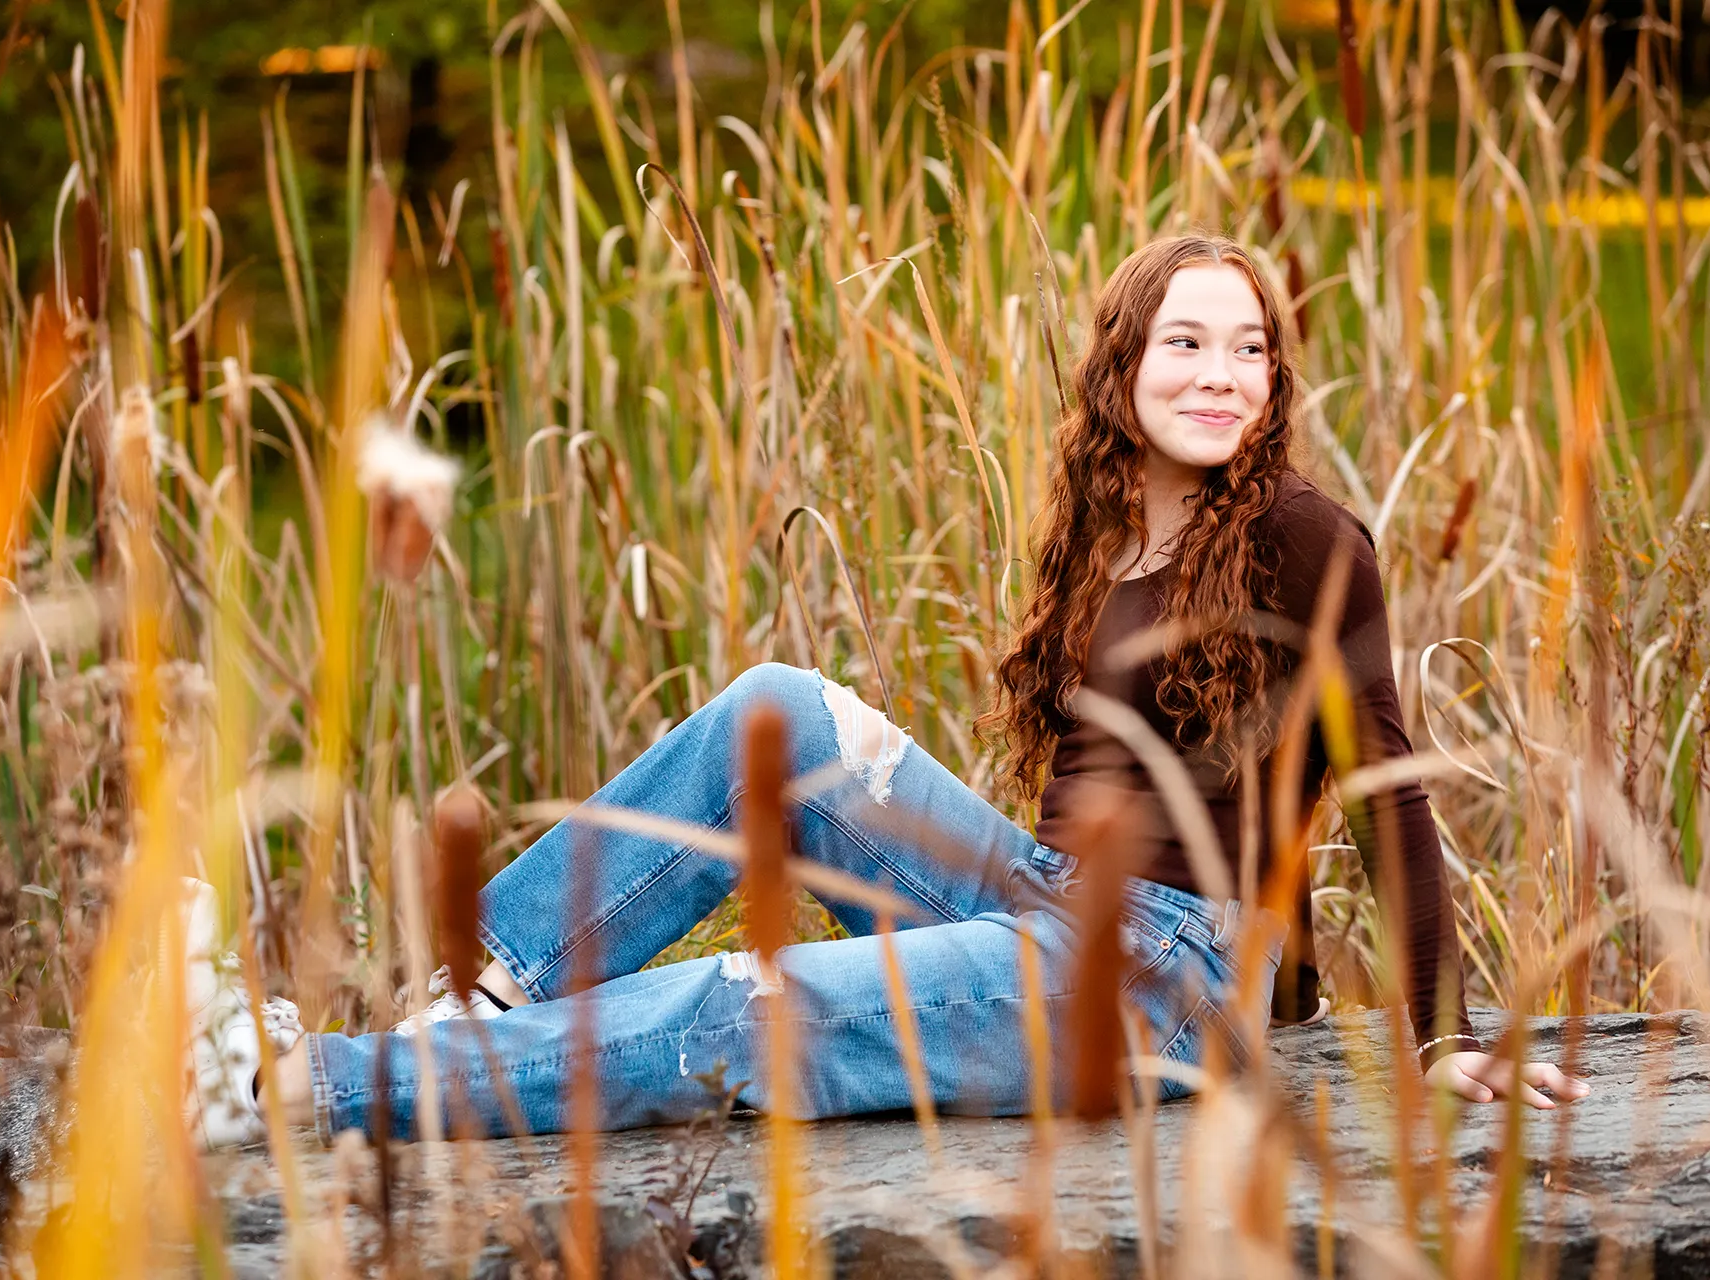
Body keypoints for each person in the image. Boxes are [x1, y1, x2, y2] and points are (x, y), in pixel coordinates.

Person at [186, 233, 1586, 1149]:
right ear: (1123, 366)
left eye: (1250, 348)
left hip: (1175, 979)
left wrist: (1441, 1036)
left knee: (754, 1005)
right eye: (1185, 341)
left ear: (1276, 379)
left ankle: (292, 1092)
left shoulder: (1304, 536)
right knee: (777, 713)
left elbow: (1390, 781)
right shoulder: (1115, 534)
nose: (1221, 373)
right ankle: (473, 1001)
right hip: (1049, 900)